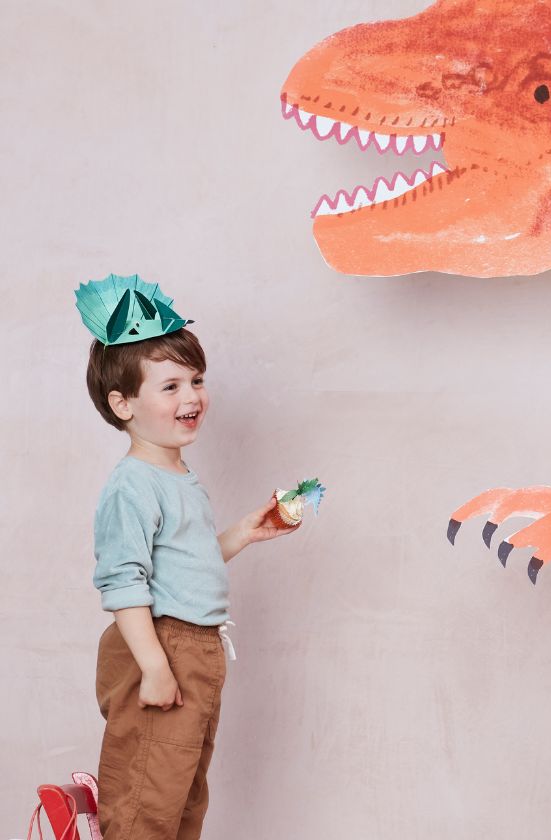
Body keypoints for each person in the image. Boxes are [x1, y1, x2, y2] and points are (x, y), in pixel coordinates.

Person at [76, 274, 297, 838]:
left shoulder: (176, 474)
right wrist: (153, 665)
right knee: (147, 796)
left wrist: (241, 534)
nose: (192, 396)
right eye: (170, 386)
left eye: (196, 380)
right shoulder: (133, 483)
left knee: (183, 793)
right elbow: (124, 583)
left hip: (198, 648)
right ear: (122, 404)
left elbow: (184, 564)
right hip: (165, 645)